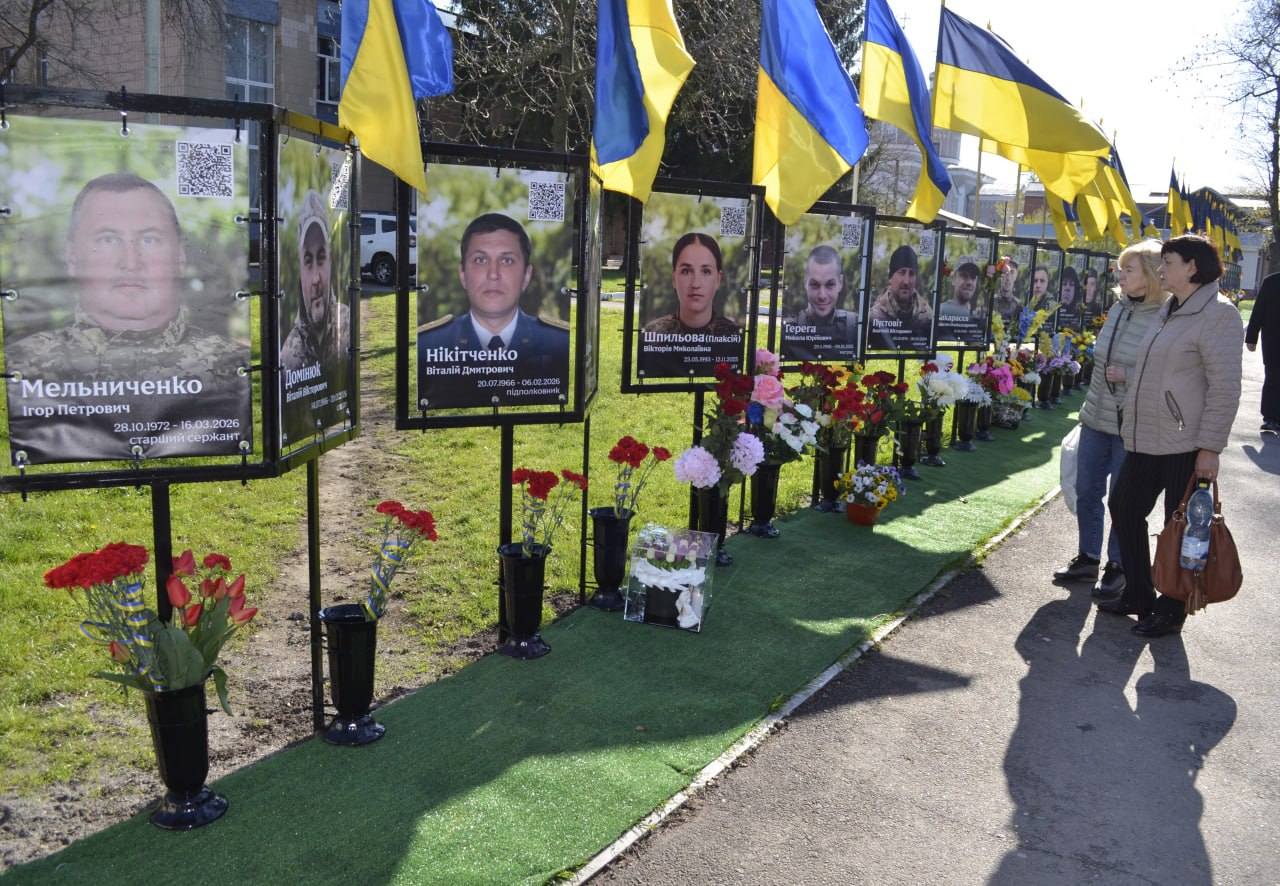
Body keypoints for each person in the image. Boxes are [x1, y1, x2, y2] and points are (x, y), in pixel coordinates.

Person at [1101, 235, 1243, 638]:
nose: (1161, 270)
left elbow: (1224, 388)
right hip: (1145, 437)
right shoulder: (1169, 308)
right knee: (1125, 508)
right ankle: (1139, 594)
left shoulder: (1219, 315)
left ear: (1192, 267)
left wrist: (1210, 448)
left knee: (1177, 524)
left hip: (1187, 443)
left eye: (1169, 262)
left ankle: (1172, 608)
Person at [6, 172, 245, 388]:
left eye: (149, 239)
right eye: (107, 240)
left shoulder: (239, 369)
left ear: (180, 256)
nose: (131, 263)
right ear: (72, 258)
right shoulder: (17, 371)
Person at [1054, 240, 1168, 599]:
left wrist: (1130, 377)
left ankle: (1117, 565)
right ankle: (1088, 557)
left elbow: (1169, 371)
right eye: (1121, 268)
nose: (1120, 274)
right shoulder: (1119, 307)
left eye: (1129, 269)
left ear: (1149, 275)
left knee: (1122, 500)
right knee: (1086, 490)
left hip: (1131, 426)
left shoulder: (1165, 314)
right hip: (1095, 418)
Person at [417, 212, 569, 379]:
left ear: (526, 275)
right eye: (480, 260)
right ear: (462, 274)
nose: (493, 274)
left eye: (507, 260)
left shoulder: (559, 342)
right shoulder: (427, 345)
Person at [280, 190, 350, 373]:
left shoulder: (351, 327)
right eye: (308, 261)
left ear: (331, 262)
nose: (316, 278)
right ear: (300, 272)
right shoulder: (288, 357)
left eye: (321, 258)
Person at [643, 232, 740, 334]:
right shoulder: (655, 334)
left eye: (706, 271)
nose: (695, 284)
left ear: (718, 280)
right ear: (674, 279)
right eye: (686, 271)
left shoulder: (731, 334)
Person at [782, 245, 856, 359]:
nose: (822, 295)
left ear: (840, 283)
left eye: (830, 285)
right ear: (805, 282)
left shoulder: (854, 327)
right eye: (815, 285)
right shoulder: (788, 331)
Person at [868, 244, 933, 349]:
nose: (906, 281)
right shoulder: (874, 317)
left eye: (911, 274)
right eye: (902, 273)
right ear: (890, 278)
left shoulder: (927, 317)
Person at [1244, 271, 1280, 432]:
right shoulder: (1271, 282)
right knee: (1273, 376)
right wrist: (1251, 337)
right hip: (1274, 340)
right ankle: (1270, 417)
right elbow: (1258, 310)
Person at [993, 255, 1022, 330]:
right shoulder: (991, 302)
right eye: (1005, 272)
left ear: (1016, 275)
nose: (1008, 278)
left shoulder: (1019, 305)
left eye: (1012, 272)